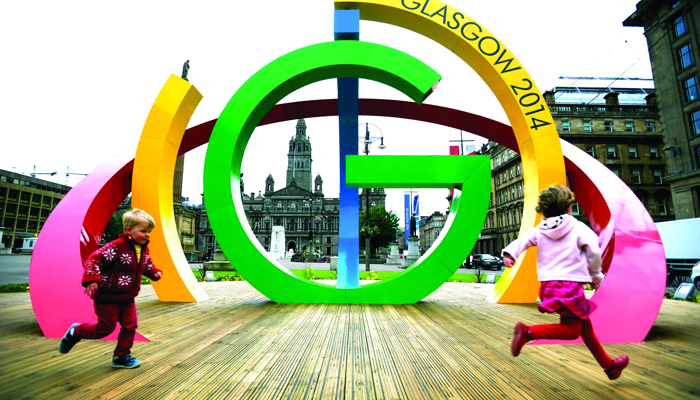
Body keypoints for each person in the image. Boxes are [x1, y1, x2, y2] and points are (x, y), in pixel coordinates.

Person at [502, 185, 629, 380]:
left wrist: (511, 254)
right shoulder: (577, 226)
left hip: (549, 286)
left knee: (585, 327)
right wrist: (596, 274)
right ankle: (528, 333)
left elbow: (525, 239)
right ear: (568, 207)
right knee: (572, 331)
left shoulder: (542, 228)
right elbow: (593, 249)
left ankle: (609, 366)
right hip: (570, 286)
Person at [58, 209, 163, 369]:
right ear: (129, 230)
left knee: (130, 326)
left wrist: (154, 272)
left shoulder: (143, 249)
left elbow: (146, 263)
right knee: (104, 329)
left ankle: (121, 356)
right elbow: (94, 259)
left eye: (149, 231)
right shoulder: (117, 246)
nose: (147, 234)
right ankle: (76, 331)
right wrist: (92, 279)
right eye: (143, 231)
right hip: (107, 298)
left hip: (127, 298)